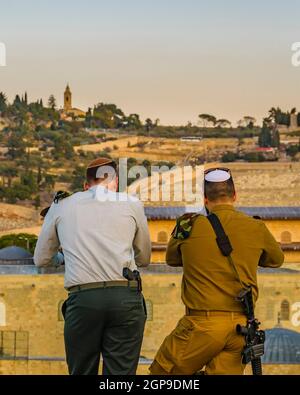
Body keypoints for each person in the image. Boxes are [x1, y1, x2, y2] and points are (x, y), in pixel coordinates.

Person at [149, 167, 284, 375]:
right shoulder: (256, 227)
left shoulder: (188, 225)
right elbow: (276, 260)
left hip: (201, 326)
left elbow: (172, 259)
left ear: (204, 199)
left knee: (161, 376)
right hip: (240, 329)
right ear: (235, 196)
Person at [34, 157, 151, 375]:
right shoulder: (132, 204)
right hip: (124, 297)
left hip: (83, 300)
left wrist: (64, 259)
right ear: (114, 182)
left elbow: (41, 259)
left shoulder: (62, 206)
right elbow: (144, 258)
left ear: (86, 184)